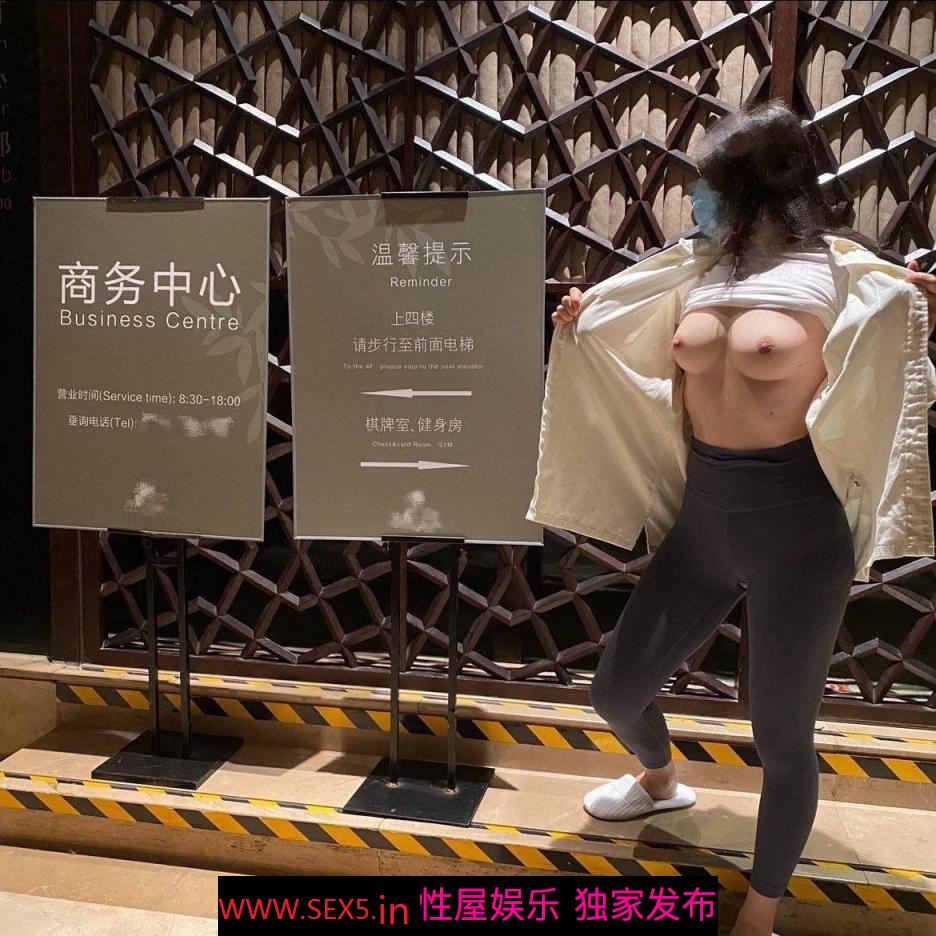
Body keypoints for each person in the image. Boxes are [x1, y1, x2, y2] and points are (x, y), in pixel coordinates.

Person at [549, 100, 936, 936]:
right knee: (615, 691)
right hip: (704, 521)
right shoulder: (696, 269)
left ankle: (758, 914)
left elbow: (891, 363)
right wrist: (585, 320)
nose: (698, 196)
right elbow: (635, 341)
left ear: (761, 182)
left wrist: (918, 317)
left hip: (799, 534)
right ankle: (660, 781)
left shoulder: (840, 274)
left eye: (711, 181)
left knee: (781, 738)